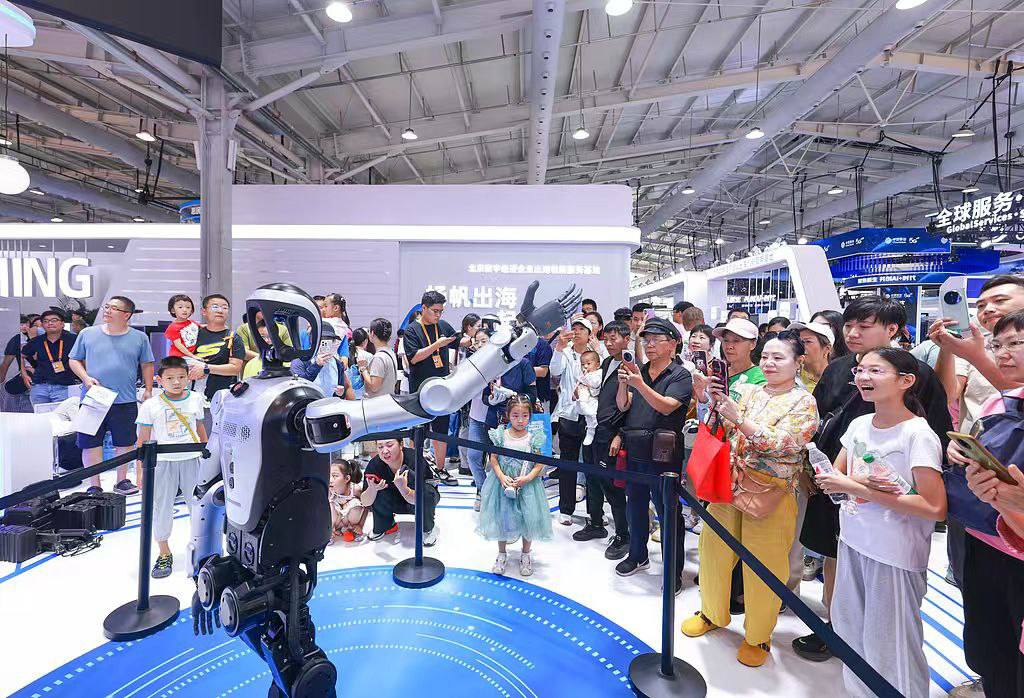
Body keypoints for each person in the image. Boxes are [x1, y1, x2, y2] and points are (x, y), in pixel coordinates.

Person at [794, 296, 952, 662]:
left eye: (863, 326)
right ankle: (837, 628)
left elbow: (935, 435)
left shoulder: (916, 377)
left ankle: (875, 653)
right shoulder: (839, 368)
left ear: (892, 329)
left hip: (893, 501)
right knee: (837, 555)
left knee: (888, 599)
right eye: (848, 325)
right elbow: (818, 418)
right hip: (836, 484)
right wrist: (814, 469)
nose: (852, 333)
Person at [682, 331, 818, 668]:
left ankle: (758, 635)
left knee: (764, 564)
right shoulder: (749, 390)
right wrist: (711, 400)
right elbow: (723, 429)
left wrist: (740, 419)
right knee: (712, 551)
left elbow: (786, 444)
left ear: (798, 362)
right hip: (728, 484)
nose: (769, 363)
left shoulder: (804, 402)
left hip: (771, 492)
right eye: (766, 357)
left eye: (779, 357)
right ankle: (712, 612)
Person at [816, 347, 946, 697]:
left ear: (906, 381)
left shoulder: (917, 434)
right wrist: (847, 482)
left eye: (876, 370)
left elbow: (935, 507)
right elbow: (836, 476)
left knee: (892, 645)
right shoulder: (860, 424)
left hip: (894, 553)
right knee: (850, 631)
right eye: (860, 370)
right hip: (853, 539)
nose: (863, 377)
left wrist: (857, 488)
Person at [953, 307, 1024, 698]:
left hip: (1015, 546)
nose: (1003, 353)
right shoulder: (1001, 402)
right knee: (991, 645)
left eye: (1016, 343)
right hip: (984, 535)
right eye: (998, 345)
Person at [614, 318, 691, 591]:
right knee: (635, 506)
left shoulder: (680, 375)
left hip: (663, 453)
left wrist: (639, 384)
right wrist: (624, 383)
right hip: (635, 447)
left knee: (668, 512)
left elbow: (668, 406)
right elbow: (623, 405)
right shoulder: (640, 371)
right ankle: (637, 555)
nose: (650, 345)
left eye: (657, 340)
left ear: (673, 344)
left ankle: (673, 570)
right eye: (646, 340)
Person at [69, 296, 154, 495]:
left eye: (113, 308)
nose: (107, 310)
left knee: (125, 443)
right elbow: (73, 359)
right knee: (90, 443)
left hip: (125, 399)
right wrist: (86, 378)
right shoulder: (88, 334)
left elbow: (147, 364)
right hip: (93, 399)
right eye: (106, 306)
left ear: (126, 315)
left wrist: (148, 389)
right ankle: (94, 484)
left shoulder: (139, 337)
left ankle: (122, 480)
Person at [136, 356, 207, 578]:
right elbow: (142, 440)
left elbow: (201, 430)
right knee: (162, 507)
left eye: (181, 377)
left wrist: (208, 459)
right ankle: (164, 552)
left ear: (188, 378)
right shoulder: (150, 405)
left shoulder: (196, 399)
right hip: (163, 462)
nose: (176, 382)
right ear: (159, 380)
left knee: (198, 508)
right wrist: (140, 472)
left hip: (192, 459)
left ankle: (203, 551)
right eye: (170, 378)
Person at [573, 320, 631, 559]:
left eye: (614, 338)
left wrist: (620, 435)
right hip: (595, 430)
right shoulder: (606, 362)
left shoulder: (631, 366)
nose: (609, 343)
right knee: (593, 479)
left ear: (626, 339)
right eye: (606, 339)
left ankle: (623, 535)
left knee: (612, 487)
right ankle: (596, 522)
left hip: (612, 434)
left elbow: (632, 406)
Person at [478, 394, 552, 576]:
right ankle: (501, 554)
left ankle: (525, 554)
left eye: (525, 416)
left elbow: (539, 463)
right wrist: (501, 476)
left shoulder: (534, 437)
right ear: (508, 415)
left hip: (527, 486)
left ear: (530, 416)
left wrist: (528, 478)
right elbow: (493, 458)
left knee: (528, 519)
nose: (520, 420)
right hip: (503, 485)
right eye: (516, 415)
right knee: (502, 518)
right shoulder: (501, 435)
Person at [550, 316, 601, 524]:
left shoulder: (598, 353)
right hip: (569, 415)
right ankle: (566, 510)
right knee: (567, 463)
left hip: (592, 416)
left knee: (592, 466)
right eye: (575, 328)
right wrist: (558, 348)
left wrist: (600, 350)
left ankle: (595, 514)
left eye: (582, 329)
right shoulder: (566, 352)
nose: (577, 331)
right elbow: (554, 371)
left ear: (590, 334)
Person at [403, 290, 459, 471]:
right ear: (424, 308)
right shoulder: (412, 329)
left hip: (442, 388)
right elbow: (413, 358)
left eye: (441, 311)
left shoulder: (442, 326)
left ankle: (440, 469)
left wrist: (477, 339)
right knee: (417, 431)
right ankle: (414, 468)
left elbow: (458, 341)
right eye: (435, 311)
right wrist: (437, 345)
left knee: (441, 431)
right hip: (420, 390)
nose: (438, 315)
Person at [361, 438, 440, 545]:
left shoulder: (415, 460)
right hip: (393, 501)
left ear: (401, 445)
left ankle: (428, 528)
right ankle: (385, 525)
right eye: (380, 447)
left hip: (416, 500)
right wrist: (372, 489)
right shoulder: (375, 465)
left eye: (389, 445)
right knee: (376, 491)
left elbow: (423, 497)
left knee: (426, 493)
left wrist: (404, 489)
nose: (385, 451)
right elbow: (365, 502)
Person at [189, 294, 245, 410]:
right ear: (204, 311)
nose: (220, 311)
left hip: (221, 399)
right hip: (191, 397)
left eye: (224, 307)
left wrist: (206, 368)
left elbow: (235, 368)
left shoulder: (233, 337)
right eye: (215, 307)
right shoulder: (193, 333)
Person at [21, 309, 79, 405]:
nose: (50, 323)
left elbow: (84, 358)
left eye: (54, 320)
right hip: (40, 386)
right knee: (40, 414)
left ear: (62, 324)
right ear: (42, 325)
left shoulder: (73, 340)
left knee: (62, 414)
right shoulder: (37, 341)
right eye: (46, 321)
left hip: (65, 386)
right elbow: (22, 355)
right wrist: (24, 374)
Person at [2, 314, 37, 413]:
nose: (24, 327)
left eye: (26, 324)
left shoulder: (39, 338)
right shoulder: (16, 339)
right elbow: (6, 363)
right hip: (23, 382)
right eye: (21, 324)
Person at [329, 458, 366, 543]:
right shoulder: (329, 490)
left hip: (349, 521)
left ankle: (352, 530)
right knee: (329, 504)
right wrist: (327, 527)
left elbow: (366, 507)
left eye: (335, 476)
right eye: (329, 475)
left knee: (356, 506)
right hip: (337, 521)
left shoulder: (355, 489)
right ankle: (332, 530)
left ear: (347, 478)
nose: (330, 480)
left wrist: (360, 525)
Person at [791, 321, 834, 392]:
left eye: (807, 342)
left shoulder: (839, 378)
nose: (801, 347)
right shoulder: (790, 377)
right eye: (798, 342)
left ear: (827, 348)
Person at [361, 318, 398, 398]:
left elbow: (374, 387)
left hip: (378, 402)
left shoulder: (379, 358)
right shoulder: (391, 353)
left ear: (372, 333)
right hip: (388, 399)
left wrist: (363, 369)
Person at [575, 350, 602, 446]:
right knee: (587, 415)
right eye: (583, 364)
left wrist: (585, 378)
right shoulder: (584, 374)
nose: (585, 366)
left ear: (597, 365)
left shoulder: (598, 373)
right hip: (584, 399)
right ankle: (589, 430)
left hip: (593, 400)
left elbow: (594, 384)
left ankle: (591, 431)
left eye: (588, 363)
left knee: (592, 415)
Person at [163, 294, 200, 360]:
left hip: (192, 355)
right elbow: (179, 345)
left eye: (188, 307)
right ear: (173, 310)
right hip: (179, 357)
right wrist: (192, 356)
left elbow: (202, 327)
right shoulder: (173, 327)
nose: (185, 310)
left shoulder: (192, 323)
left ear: (191, 310)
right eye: (180, 307)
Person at [347, 328, 374, 398]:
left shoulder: (346, 354)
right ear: (365, 341)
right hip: (363, 396)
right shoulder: (368, 356)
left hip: (348, 395)